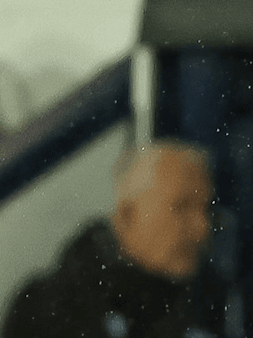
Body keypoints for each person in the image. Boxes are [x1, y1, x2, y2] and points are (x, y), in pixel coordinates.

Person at [2, 139, 221, 338]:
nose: (203, 228)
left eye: (206, 210)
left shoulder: (210, 303)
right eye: (182, 207)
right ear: (128, 214)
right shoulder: (46, 314)